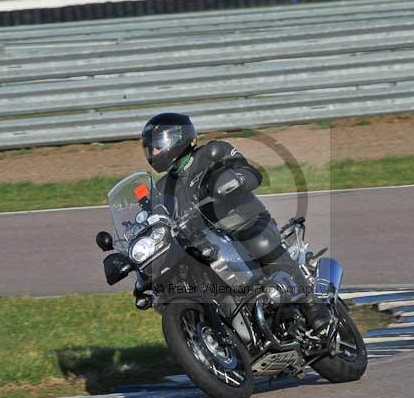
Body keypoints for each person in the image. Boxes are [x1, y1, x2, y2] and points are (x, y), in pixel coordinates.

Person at [141, 112, 332, 335]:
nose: (153, 152)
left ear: (178, 138)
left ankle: (311, 305)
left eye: (157, 145)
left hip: (242, 221)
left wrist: (233, 181)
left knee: (259, 242)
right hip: (203, 242)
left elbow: (249, 172)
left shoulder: (212, 152)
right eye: (149, 148)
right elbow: (155, 222)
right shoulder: (162, 188)